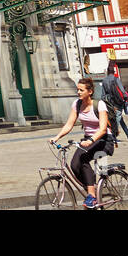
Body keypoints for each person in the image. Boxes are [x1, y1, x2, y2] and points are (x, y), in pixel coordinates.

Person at [50, 77, 114, 209]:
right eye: (77, 89)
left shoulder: (99, 104)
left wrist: (91, 140)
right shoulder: (77, 104)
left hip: (104, 139)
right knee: (74, 165)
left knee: (83, 159)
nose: (78, 92)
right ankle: (92, 188)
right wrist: (57, 137)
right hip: (88, 140)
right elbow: (69, 124)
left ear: (90, 91)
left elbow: (102, 129)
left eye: (81, 90)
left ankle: (91, 195)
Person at [102, 63, 128, 141]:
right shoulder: (116, 79)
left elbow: (102, 95)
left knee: (119, 118)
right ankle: (113, 137)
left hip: (109, 103)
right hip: (117, 103)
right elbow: (122, 91)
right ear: (114, 71)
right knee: (117, 119)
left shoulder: (104, 81)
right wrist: (125, 99)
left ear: (107, 72)